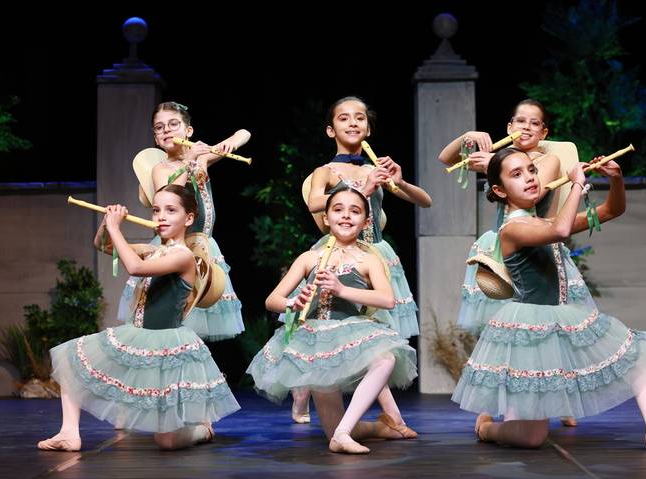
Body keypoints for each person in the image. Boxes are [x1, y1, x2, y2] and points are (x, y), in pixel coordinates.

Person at [451, 148, 646, 450]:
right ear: (500, 190)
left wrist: (616, 179)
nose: (529, 178)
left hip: (562, 317)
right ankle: (488, 429)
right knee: (531, 438)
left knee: (641, 355)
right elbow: (561, 229)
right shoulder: (512, 229)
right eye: (517, 174)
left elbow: (611, 211)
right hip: (532, 328)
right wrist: (577, 185)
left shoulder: (541, 223)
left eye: (531, 170)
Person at [38, 185, 240, 451]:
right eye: (156, 210)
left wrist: (115, 227)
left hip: (166, 344)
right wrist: (107, 221)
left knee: (166, 441)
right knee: (71, 359)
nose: (161, 217)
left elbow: (135, 267)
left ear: (189, 218)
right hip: (137, 335)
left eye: (171, 210)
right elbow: (103, 245)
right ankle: (69, 433)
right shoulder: (154, 250)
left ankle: (202, 430)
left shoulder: (184, 257)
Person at [290, 96, 431, 426]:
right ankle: (303, 393)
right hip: (339, 254)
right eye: (344, 118)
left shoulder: (374, 169)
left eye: (360, 118)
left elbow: (425, 201)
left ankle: (392, 416)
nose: (353, 122)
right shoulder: (325, 171)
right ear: (331, 130)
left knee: (374, 336)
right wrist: (362, 190)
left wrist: (399, 180)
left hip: (375, 255)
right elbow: (314, 204)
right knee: (327, 327)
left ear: (368, 128)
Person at [247, 187, 418, 454]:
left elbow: (387, 299)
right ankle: (379, 428)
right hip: (315, 341)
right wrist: (293, 303)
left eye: (355, 211)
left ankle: (342, 434)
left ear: (366, 222)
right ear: (326, 218)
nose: (346, 215)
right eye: (338, 209)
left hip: (351, 332)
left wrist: (341, 289)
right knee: (335, 427)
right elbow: (272, 300)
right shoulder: (309, 258)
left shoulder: (368, 260)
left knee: (385, 359)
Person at [440, 99, 578, 428]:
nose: (525, 127)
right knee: (501, 329)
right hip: (503, 244)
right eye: (519, 121)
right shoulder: (502, 161)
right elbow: (447, 159)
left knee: (553, 327)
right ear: (508, 127)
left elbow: (536, 192)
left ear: (544, 132)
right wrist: (467, 137)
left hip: (537, 244)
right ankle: (490, 404)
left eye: (534, 123)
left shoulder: (547, 160)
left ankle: (561, 399)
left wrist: (494, 162)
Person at [119, 101, 248, 341]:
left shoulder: (202, 159)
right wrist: (189, 162)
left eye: (173, 124)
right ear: (156, 138)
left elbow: (244, 133)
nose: (166, 130)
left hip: (203, 246)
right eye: (160, 128)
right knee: (174, 315)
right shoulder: (161, 169)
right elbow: (170, 198)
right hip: (176, 248)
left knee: (195, 320)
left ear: (188, 131)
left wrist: (230, 143)